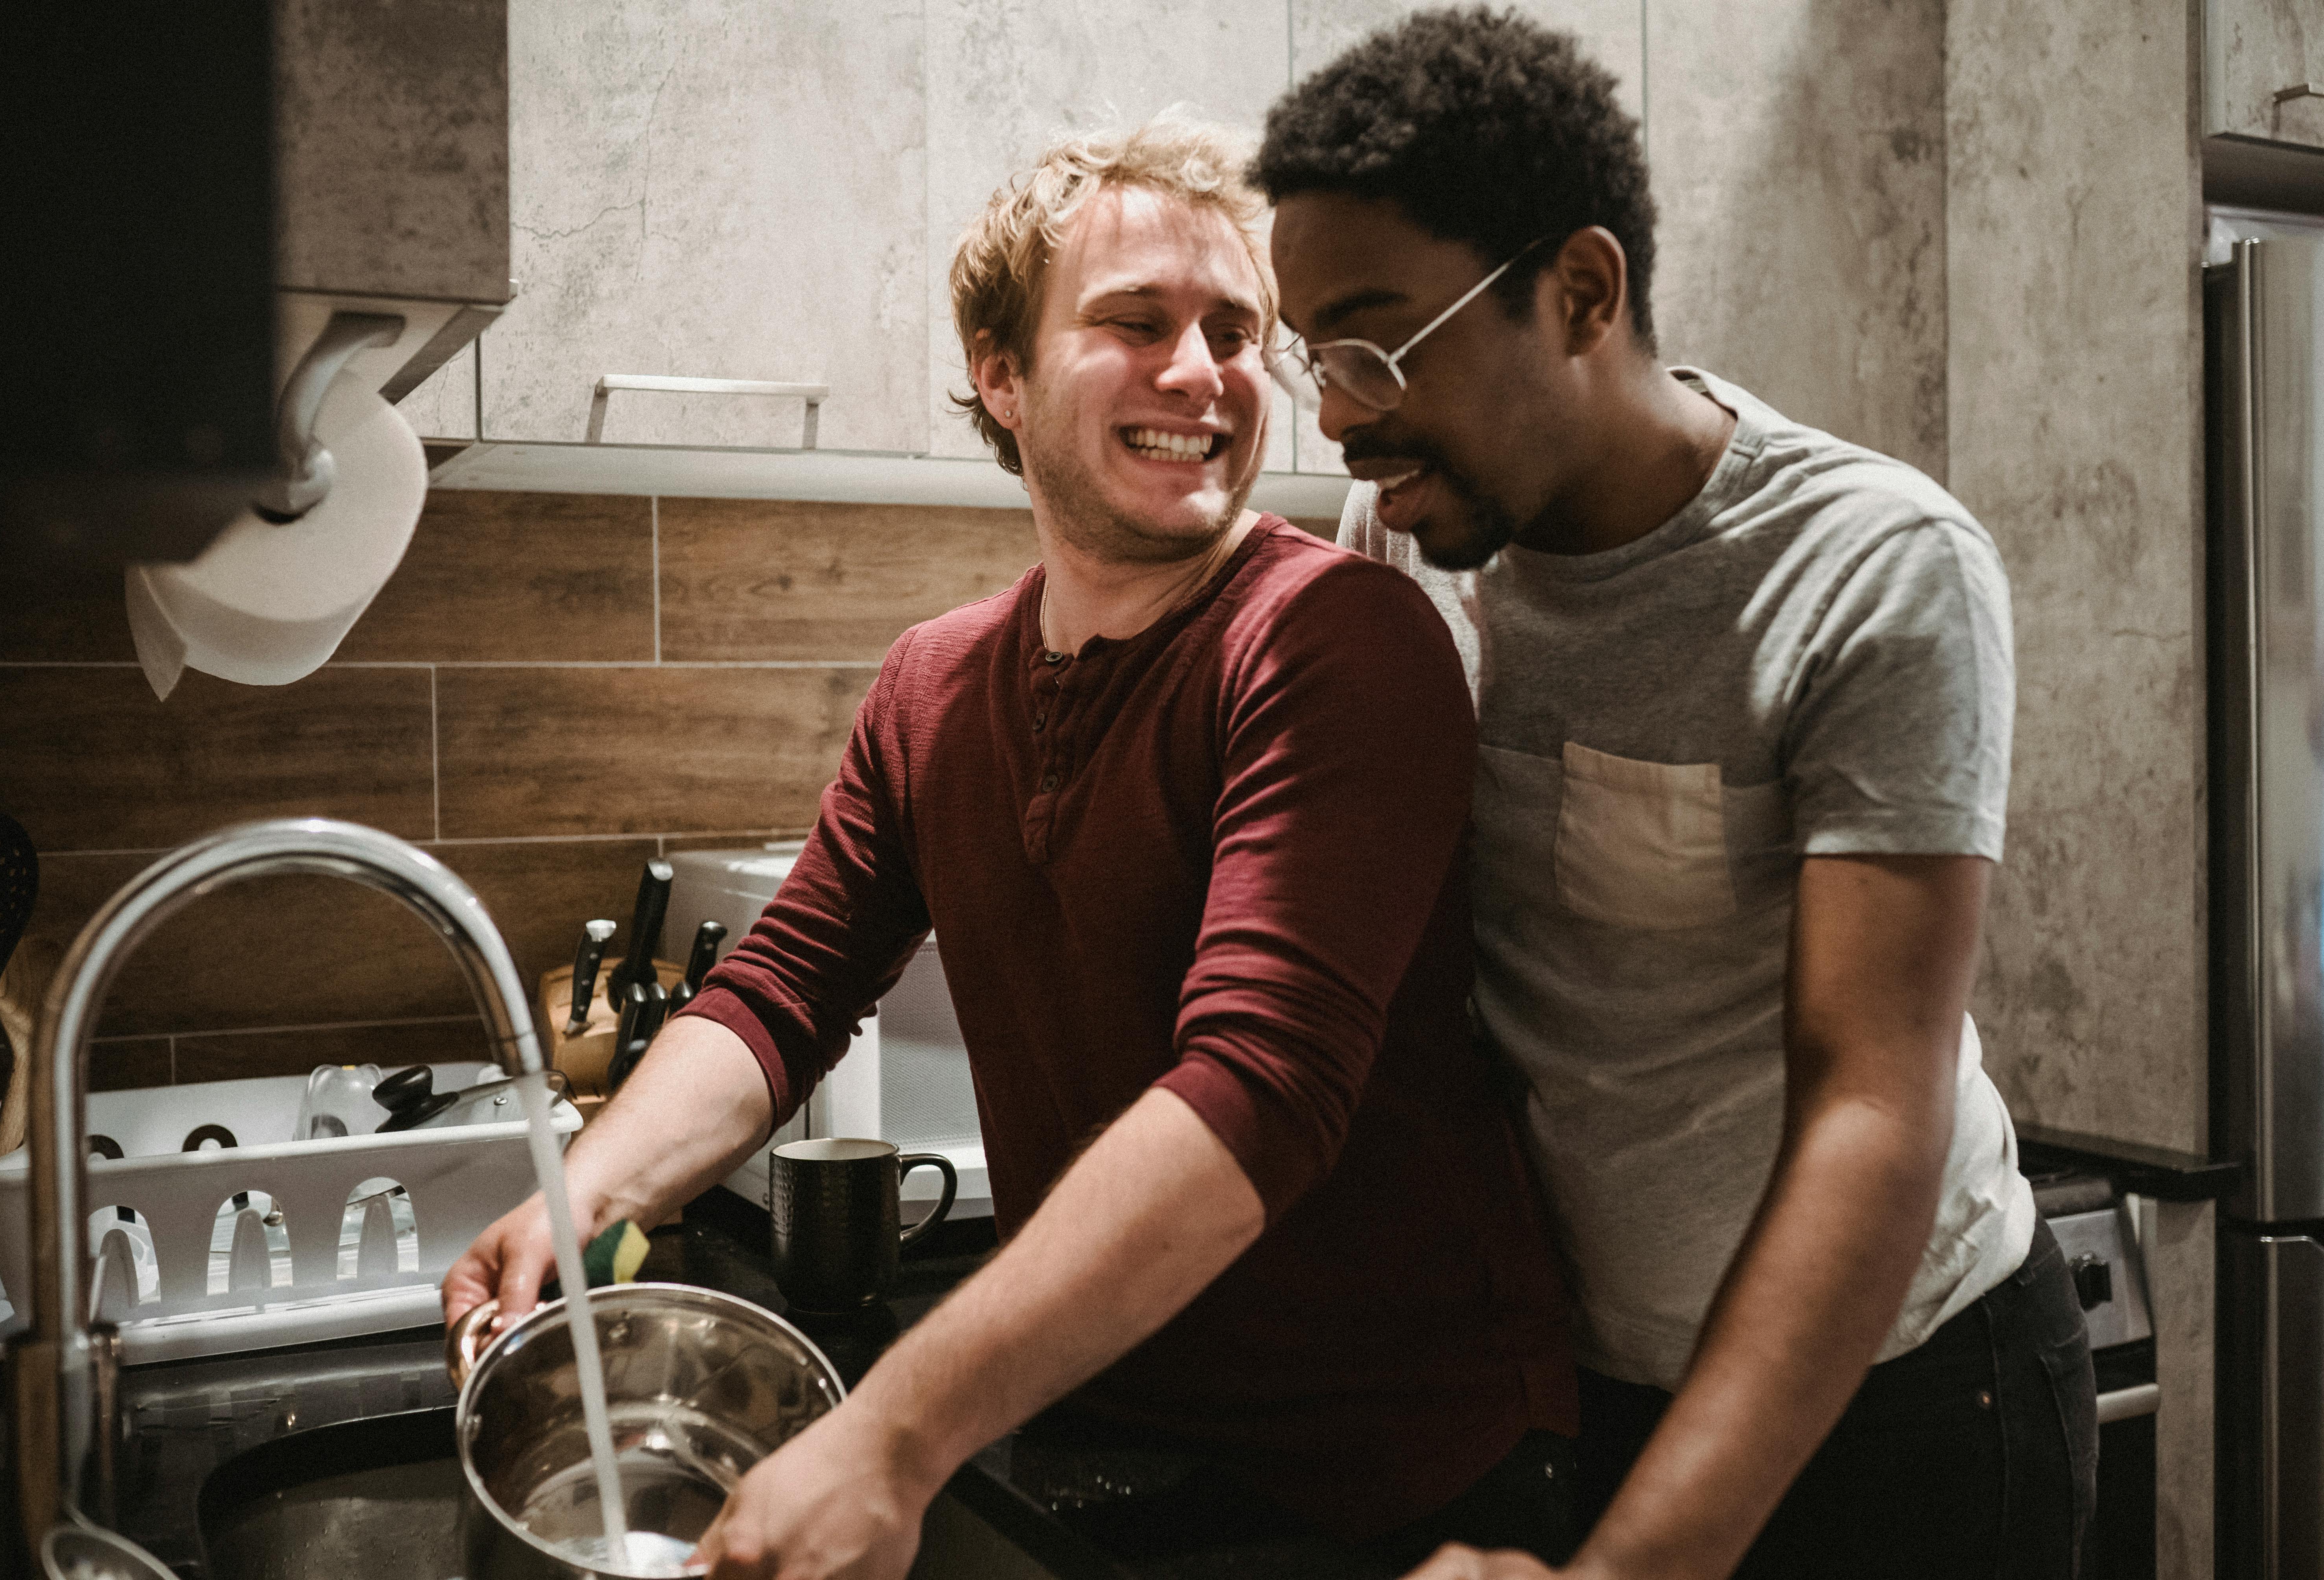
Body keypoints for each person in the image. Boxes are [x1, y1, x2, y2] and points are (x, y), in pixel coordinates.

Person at [442, 118, 1580, 1579]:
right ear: (1001, 371)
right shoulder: (934, 684)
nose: (1202, 372)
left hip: (1399, 1477)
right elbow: (782, 991)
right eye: (1135, 323)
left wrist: (892, 1438)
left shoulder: (1332, 641)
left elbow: (1261, 1087)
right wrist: (587, 1188)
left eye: (1238, 332)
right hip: (1100, 1426)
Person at [1252, 10, 2096, 1579]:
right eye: (1315, 356)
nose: (1338, 415)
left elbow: (1873, 1102)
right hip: (1606, 1385)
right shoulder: (1419, 555)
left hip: (1905, 1401)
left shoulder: (1869, 567)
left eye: (1373, 346)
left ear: (1581, 292)